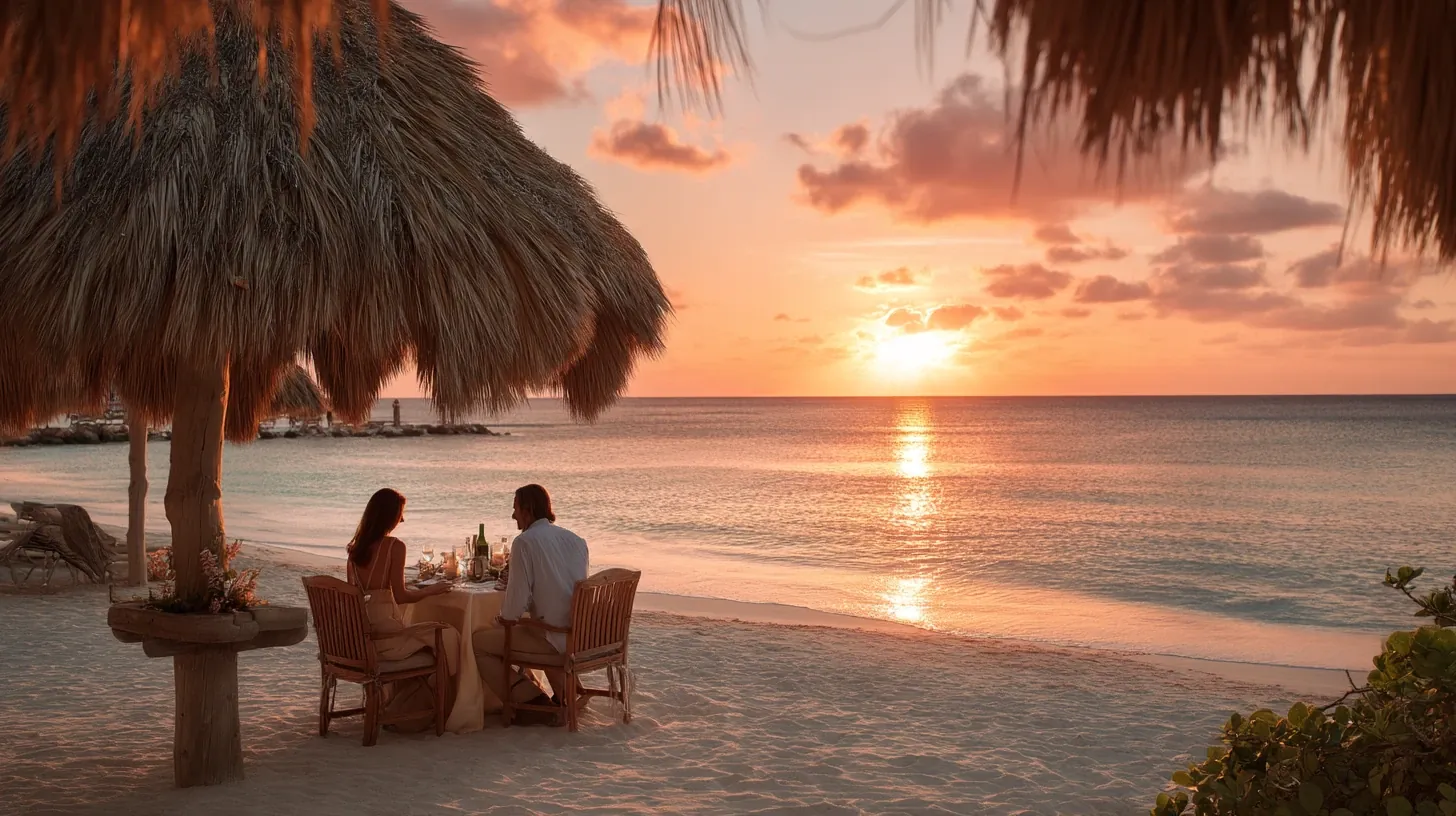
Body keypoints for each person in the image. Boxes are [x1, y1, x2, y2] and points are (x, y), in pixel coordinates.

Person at [474, 484, 589, 709]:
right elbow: (562, 584)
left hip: (553, 639)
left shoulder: (525, 542)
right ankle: (558, 691)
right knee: (532, 626)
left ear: (528, 509)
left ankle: (532, 699)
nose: (513, 515)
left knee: (478, 642)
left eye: (515, 508)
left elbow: (514, 607)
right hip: (580, 635)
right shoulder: (576, 540)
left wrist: (501, 620)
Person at [347, 488, 460, 677]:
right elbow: (400, 596)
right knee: (449, 633)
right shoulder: (394, 547)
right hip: (385, 641)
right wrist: (432, 590)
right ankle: (444, 698)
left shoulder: (355, 548)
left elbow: (355, 591)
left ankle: (411, 700)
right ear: (389, 516)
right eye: (400, 514)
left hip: (359, 639)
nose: (402, 520)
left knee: (422, 629)